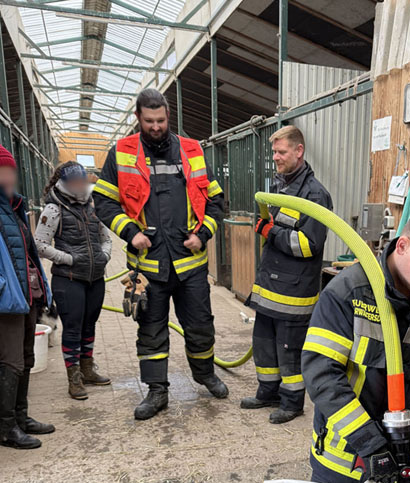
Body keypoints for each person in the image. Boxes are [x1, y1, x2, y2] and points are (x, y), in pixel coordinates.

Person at [302, 205, 410, 483]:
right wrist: (370, 444)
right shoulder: (348, 294)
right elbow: (322, 377)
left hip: (407, 461)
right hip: (344, 464)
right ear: (402, 246)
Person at [93, 88, 227, 420]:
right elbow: (104, 202)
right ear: (138, 118)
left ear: (169, 116)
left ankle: (204, 373)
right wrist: (131, 233)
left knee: (200, 325)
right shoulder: (121, 153)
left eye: (162, 120)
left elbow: (217, 201)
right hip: (146, 267)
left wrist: (203, 234)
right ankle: (156, 391)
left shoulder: (192, 150)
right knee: (150, 328)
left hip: (190, 264)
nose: (156, 127)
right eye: (149, 121)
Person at [242, 125, 332, 424]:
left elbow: (307, 244)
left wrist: (268, 230)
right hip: (271, 287)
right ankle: (268, 392)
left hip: (294, 293)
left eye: (281, 152)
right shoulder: (281, 187)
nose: (276, 158)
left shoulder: (315, 195)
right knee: (264, 344)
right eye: (274, 153)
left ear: (298, 151)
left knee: (288, 350)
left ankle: (292, 402)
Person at [35, 161, 112, 400]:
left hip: (95, 277)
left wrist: (105, 255)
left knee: (89, 325)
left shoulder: (93, 206)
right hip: (68, 279)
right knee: (72, 327)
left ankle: (88, 368)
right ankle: (74, 377)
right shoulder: (53, 209)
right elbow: (39, 244)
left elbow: (105, 237)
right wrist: (68, 258)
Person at [0, 144, 54, 449]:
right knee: (10, 361)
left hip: (27, 295)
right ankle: (6, 427)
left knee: (26, 357)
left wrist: (40, 290)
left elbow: (26, 252)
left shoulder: (14, 206)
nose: (9, 176)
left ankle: (21, 417)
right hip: (7, 301)